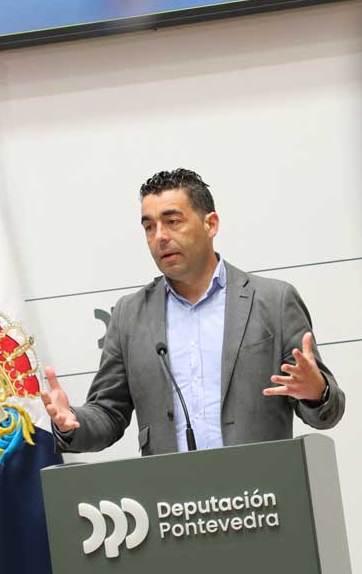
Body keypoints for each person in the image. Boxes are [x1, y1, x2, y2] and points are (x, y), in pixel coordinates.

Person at [42, 169, 344, 456]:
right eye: (149, 227)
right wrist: (71, 422)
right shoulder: (129, 315)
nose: (160, 236)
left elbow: (328, 412)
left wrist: (316, 392)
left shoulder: (273, 301)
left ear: (210, 224)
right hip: (172, 490)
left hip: (261, 488)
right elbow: (109, 412)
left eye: (172, 221)